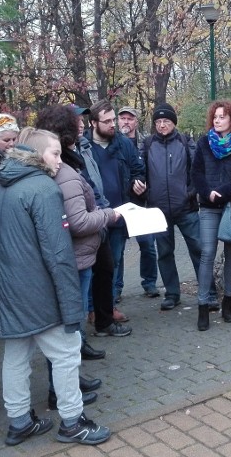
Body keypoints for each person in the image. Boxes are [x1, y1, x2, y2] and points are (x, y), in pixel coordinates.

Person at [0, 128, 111, 447]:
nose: (61, 160)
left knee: (16, 353)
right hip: (39, 289)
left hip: (9, 287)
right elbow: (58, 252)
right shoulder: (43, 188)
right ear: (38, 154)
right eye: (55, 153)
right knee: (67, 352)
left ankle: (19, 421)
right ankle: (72, 421)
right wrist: (71, 302)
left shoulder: (4, 185)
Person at [35, 104, 120, 404]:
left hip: (79, 253)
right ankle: (62, 391)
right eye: (77, 122)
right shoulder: (64, 171)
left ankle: (68, 379)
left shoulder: (68, 160)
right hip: (75, 256)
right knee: (67, 326)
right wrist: (108, 215)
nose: (82, 125)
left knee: (70, 325)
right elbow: (78, 221)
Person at [141, 102, 212, 312]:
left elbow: (197, 171)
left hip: (186, 209)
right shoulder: (147, 145)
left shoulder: (185, 142)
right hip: (158, 211)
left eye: (166, 121)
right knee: (164, 253)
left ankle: (208, 293)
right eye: (158, 121)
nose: (162, 125)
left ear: (174, 123)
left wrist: (190, 194)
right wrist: (147, 194)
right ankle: (172, 294)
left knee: (199, 250)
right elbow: (140, 173)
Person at [192, 100, 231, 331]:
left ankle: (228, 302)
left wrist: (223, 192)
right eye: (215, 117)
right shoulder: (204, 143)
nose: (217, 120)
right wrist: (208, 193)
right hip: (208, 206)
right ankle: (203, 305)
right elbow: (196, 172)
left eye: (222, 117)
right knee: (207, 253)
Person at [86, 100, 147, 321]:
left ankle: (109, 307)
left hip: (119, 214)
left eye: (114, 119)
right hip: (92, 217)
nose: (114, 124)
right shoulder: (83, 145)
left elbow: (138, 170)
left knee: (114, 263)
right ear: (93, 123)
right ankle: (91, 308)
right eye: (108, 120)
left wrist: (138, 183)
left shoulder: (124, 144)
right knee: (91, 265)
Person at [118, 106, 160, 298]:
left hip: (141, 203)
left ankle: (149, 283)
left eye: (130, 118)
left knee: (148, 246)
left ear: (136, 121)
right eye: (123, 118)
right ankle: (116, 289)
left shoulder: (147, 144)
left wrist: (144, 187)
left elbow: (152, 171)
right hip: (118, 203)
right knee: (116, 251)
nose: (126, 122)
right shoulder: (112, 144)